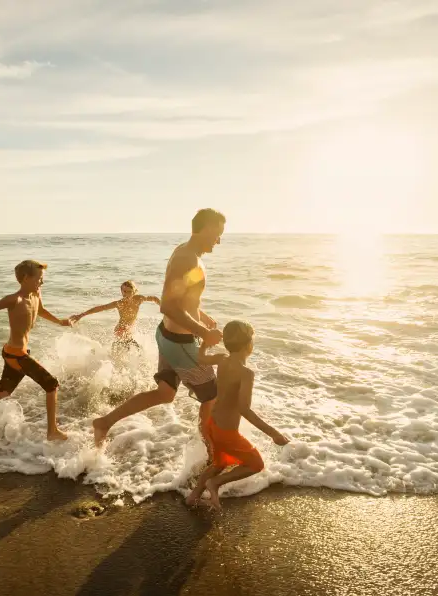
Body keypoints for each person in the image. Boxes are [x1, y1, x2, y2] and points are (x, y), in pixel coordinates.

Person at [92, 208, 226, 448]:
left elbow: (183, 299)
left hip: (168, 336)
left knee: (165, 394)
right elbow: (167, 305)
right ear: (206, 228)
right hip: (179, 342)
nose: (219, 240)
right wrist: (204, 332)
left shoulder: (185, 252)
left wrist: (202, 317)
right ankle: (211, 451)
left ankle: (104, 422)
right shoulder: (188, 258)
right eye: (218, 233)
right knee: (213, 395)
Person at [0, 260, 71, 441]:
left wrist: (60, 321)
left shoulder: (36, 294)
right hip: (16, 354)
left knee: (3, 392)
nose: (42, 282)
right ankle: (52, 432)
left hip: (15, 352)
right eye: (39, 279)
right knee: (52, 385)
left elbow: (40, 311)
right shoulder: (14, 299)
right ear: (26, 278)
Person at [186, 321, 289, 510]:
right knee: (256, 464)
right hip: (227, 432)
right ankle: (215, 483)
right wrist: (273, 433)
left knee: (219, 463)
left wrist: (205, 342)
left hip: (213, 423)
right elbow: (244, 409)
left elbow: (201, 358)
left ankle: (193, 496)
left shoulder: (222, 359)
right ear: (248, 345)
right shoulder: (246, 373)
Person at [70, 280, 160, 352]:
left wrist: (163, 307)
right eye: (124, 291)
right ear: (121, 291)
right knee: (133, 348)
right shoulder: (119, 304)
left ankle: (114, 356)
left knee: (127, 349)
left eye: (129, 292)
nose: (125, 294)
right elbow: (100, 308)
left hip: (129, 329)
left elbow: (154, 298)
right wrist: (80, 315)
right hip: (120, 330)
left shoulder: (139, 299)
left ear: (134, 292)